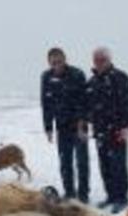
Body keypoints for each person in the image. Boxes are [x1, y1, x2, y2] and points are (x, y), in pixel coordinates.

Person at [84, 47, 128, 214]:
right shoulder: (91, 82)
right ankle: (111, 196)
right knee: (104, 166)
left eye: (102, 60)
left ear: (109, 60)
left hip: (117, 131)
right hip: (99, 132)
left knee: (118, 166)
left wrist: (127, 127)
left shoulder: (120, 78)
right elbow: (88, 108)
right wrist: (86, 123)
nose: (99, 63)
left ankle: (121, 198)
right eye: (96, 60)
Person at [41, 47, 91, 203]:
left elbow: (85, 101)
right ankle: (69, 192)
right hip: (62, 126)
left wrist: (82, 123)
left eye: (59, 61)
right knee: (65, 162)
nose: (57, 64)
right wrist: (48, 127)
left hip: (79, 124)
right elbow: (46, 103)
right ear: (49, 62)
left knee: (82, 162)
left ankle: (83, 195)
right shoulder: (46, 77)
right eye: (53, 62)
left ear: (65, 59)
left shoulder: (77, 74)